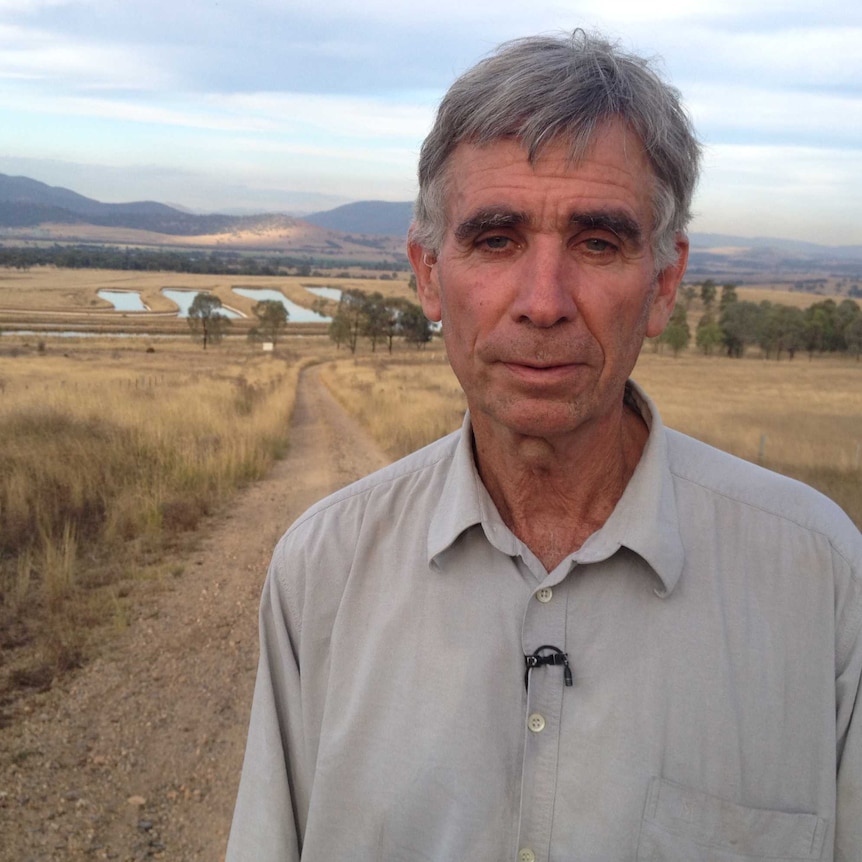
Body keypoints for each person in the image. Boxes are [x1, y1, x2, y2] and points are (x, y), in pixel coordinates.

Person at [227, 30, 862, 862]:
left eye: (599, 242)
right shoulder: (322, 570)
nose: (543, 301)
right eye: (495, 239)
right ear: (428, 275)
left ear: (665, 283)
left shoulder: (822, 583)